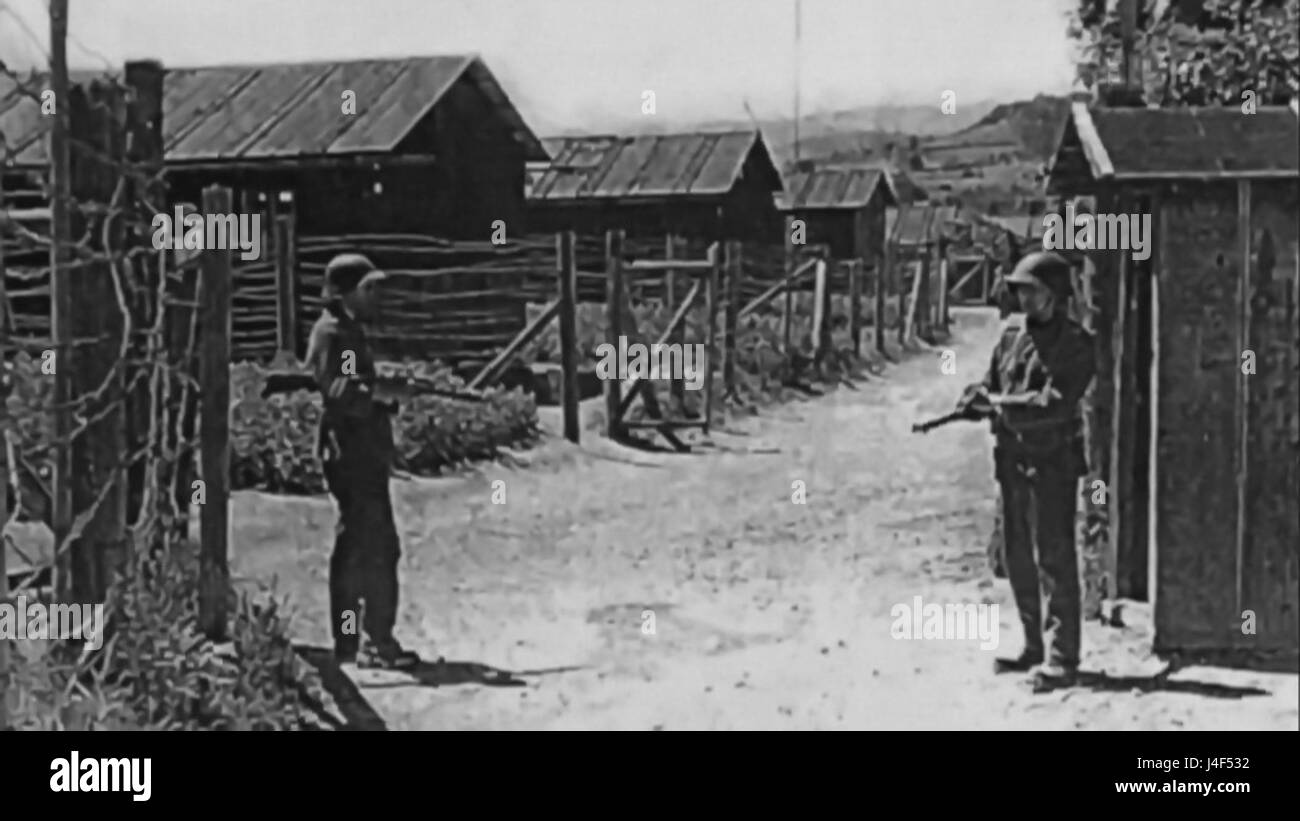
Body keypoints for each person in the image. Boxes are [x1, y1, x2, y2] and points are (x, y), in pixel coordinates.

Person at [956, 251, 1096, 692]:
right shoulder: (1012, 337)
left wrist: (995, 405)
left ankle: (1062, 657)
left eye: (1031, 290)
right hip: (1012, 462)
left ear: (1054, 294)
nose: (1023, 298)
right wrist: (976, 395)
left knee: (1053, 556)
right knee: (1017, 557)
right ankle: (1033, 646)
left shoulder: (1076, 343)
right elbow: (992, 383)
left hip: (1052, 463)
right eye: (1019, 290)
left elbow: (1053, 402)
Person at [306, 253, 421, 670]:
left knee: (363, 546)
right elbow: (340, 389)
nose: (376, 296)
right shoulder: (331, 333)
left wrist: (384, 394)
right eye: (368, 288)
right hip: (348, 453)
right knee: (372, 547)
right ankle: (369, 641)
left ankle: (355, 641)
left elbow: (356, 383)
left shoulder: (348, 331)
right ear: (344, 293)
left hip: (362, 452)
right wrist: (382, 392)